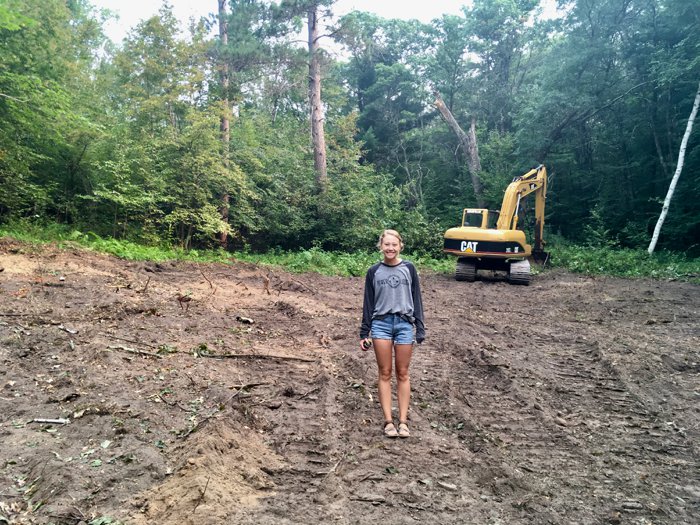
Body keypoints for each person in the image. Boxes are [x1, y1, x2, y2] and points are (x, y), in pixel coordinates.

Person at [359, 229, 425, 438]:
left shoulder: (409, 268)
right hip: (381, 325)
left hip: (405, 324)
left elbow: (417, 299)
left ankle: (403, 422)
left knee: (403, 373)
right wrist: (364, 332)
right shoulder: (373, 271)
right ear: (381, 247)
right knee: (384, 372)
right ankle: (388, 421)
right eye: (386, 244)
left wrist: (420, 327)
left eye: (394, 245)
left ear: (400, 246)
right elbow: (368, 303)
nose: (390, 248)